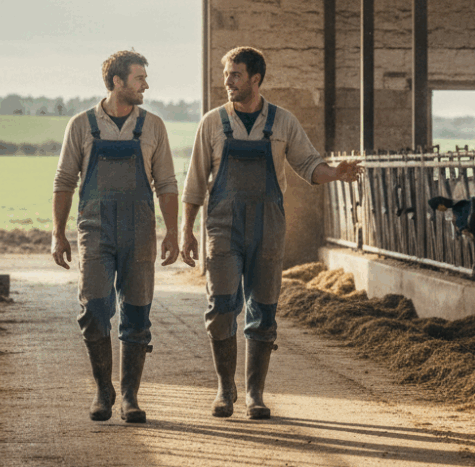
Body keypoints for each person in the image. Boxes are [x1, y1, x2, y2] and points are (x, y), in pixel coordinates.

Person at [180, 46, 361, 420]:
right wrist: (186, 232)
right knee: (221, 307)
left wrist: (336, 173)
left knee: (263, 309)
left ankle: (255, 394)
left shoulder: (282, 122)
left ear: (256, 79)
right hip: (223, 228)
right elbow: (195, 182)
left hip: (267, 227)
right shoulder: (212, 123)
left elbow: (309, 164)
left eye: (235, 74)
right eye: (226, 74)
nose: (227, 81)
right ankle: (224, 389)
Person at [52, 49, 180, 423]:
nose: (146, 85)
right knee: (94, 309)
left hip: (140, 230)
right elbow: (64, 181)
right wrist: (58, 234)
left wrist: (171, 232)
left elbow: (167, 183)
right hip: (95, 229)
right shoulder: (81, 125)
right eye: (139, 78)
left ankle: (130, 397)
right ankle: (101, 390)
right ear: (116, 82)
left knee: (137, 313)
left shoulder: (153, 126)